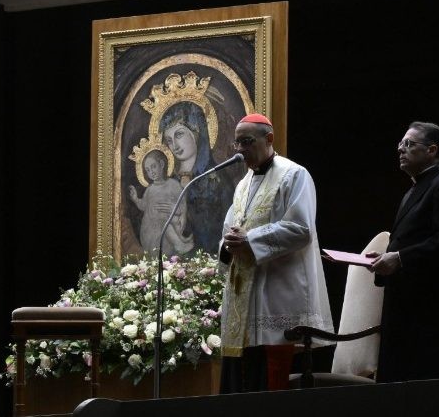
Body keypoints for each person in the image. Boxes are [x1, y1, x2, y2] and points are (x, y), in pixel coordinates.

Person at [218, 113, 334, 393]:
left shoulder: (294, 175)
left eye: (246, 142)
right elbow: (228, 230)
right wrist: (227, 247)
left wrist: (251, 240)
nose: (241, 150)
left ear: (269, 139)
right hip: (243, 299)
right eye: (237, 143)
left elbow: (301, 228)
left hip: (276, 295)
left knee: (269, 386)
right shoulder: (243, 185)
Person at [366, 121, 439, 383]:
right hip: (405, 305)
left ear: (432, 150)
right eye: (400, 144)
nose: (401, 149)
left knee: (426, 389)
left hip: (430, 309)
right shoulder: (412, 191)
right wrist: (383, 260)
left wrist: (398, 258)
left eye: (409, 144)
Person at [160, 102, 235, 254]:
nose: (174, 145)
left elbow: (228, 227)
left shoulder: (218, 179)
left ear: (197, 131)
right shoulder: (169, 181)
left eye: (179, 134)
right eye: (168, 140)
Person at [128, 149, 194, 256]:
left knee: (167, 220)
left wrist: (176, 210)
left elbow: (182, 205)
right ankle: (180, 243)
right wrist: (136, 199)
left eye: (153, 167)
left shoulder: (174, 185)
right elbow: (144, 206)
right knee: (162, 219)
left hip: (171, 225)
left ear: (162, 164)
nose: (151, 172)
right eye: (148, 170)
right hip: (151, 231)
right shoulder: (150, 189)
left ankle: (179, 242)